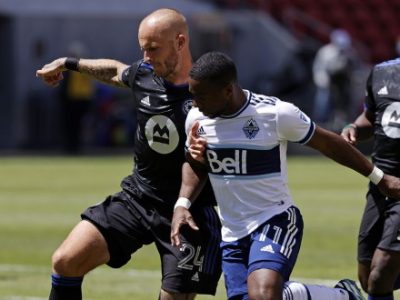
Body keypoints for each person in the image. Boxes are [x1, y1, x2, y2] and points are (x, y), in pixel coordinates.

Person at [170, 51, 400, 300]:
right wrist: (183, 203)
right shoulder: (196, 118)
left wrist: (380, 177)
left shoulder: (275, 114)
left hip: (275, 219)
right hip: (232, 232)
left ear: (227, 91)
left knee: (264, 294)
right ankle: (342, 296)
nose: (194, 103)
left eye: (201, 96)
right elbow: (194, 164)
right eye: (192, 95)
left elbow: (329, 143)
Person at [36, 8, 221, 300]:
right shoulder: (145, 74)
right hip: (138, 197)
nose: (146, 56)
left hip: (189, 212)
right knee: (66, 261)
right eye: (142, 48)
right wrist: (67, 63)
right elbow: (114, 71)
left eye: (153, 48)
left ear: (181, 43)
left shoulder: (212, 94)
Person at [341, 58, 400, 300]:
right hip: (380, 184)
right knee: (367, 277)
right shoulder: (381, 73)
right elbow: (371, 117)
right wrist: (353, 127)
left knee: (381, 272)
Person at [312, 29, 358, 129]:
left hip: (341, 84)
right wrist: (321, 79)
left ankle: (340, 122)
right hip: (326, 82)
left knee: (342, 103)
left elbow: (352, 69)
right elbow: (319, 67)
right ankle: (319, 122)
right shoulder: (325, 51)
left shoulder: (349, 54)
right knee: (323, 102)